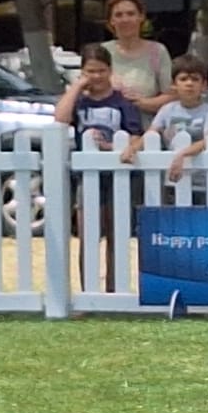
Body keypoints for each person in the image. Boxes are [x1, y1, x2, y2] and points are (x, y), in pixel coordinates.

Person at [54, 45, 143, 291]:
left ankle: (114, 290)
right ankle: (89, 291)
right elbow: (60, 119)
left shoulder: (122, 102)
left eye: (101, 71)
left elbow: (136, 135)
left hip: (117, 176)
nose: (96, 76)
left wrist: (116, 147)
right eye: (90, 71)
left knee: (116, 235)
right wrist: (76, 87)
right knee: (88, 236)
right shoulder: (80, 102)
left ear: (110, 71)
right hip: (87, 177)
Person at [147, 53, 208, 200]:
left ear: (204, 85)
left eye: (195, 79)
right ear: (174, 84)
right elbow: (150, 135)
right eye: (183, 79)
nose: (189, 83)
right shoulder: (167, 110)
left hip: (201, 182)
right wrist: (132, 148)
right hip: (172, 180)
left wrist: (183, 154)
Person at [100, 0, 175, 119]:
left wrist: (141, 103)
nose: (125, 19)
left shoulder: (157, 51)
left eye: (131, 14)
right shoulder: (101, 51)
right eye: (118, 15)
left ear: (141, 17)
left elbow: (171, 96)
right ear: (111, 20)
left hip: (148, 127)